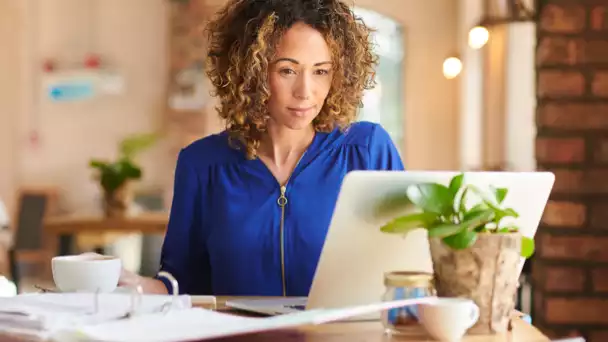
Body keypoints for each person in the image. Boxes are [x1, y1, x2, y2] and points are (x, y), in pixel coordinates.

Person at [119, 0, 404, 296]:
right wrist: (133, 284)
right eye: (287, 70)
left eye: (321, 71)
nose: (305, 91)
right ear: (251, 72)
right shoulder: (202, 164)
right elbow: (181, 282)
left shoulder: (367, 150)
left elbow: (407, 269)